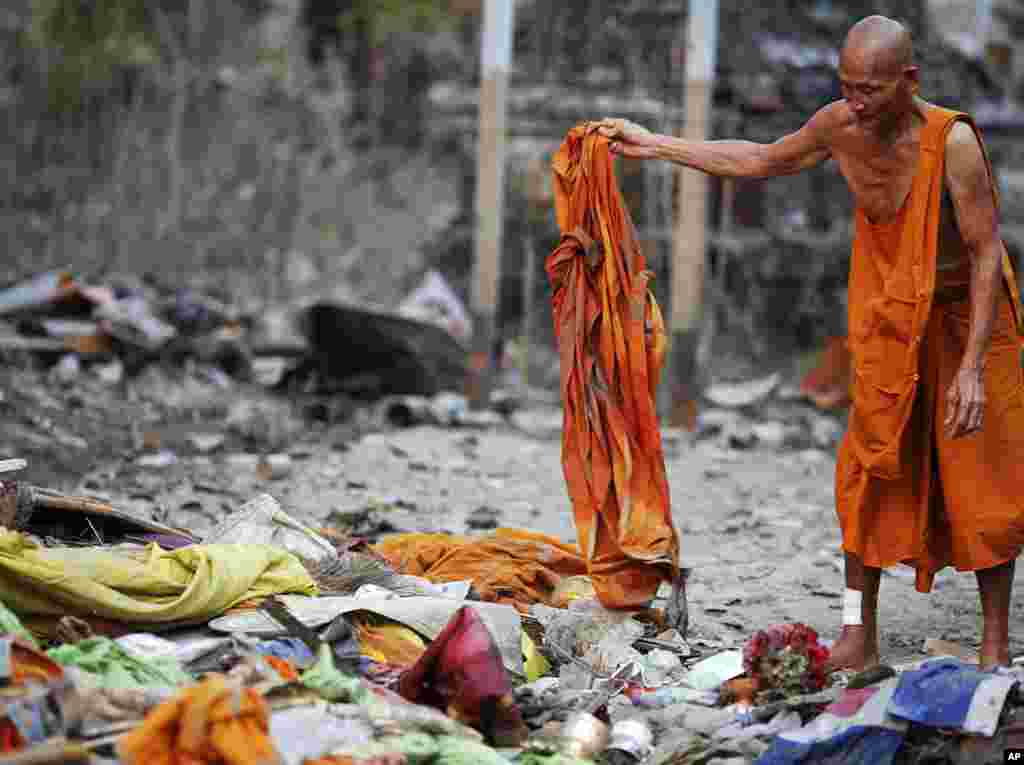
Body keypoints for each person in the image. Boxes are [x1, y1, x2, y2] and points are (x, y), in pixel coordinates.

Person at [600, 14, 1024, 671]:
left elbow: (986, 251)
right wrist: (657, 145)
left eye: (871, 90)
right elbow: (762, 159)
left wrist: (970, 369)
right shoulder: (838, 126)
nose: (857, 102)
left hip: (970, 319)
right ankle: (859, 630)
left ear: (909, 81)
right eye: (847, 86)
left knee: (984, 479)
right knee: (864, 475)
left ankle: (994, 642)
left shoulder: (955, 142)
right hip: (892, 315)